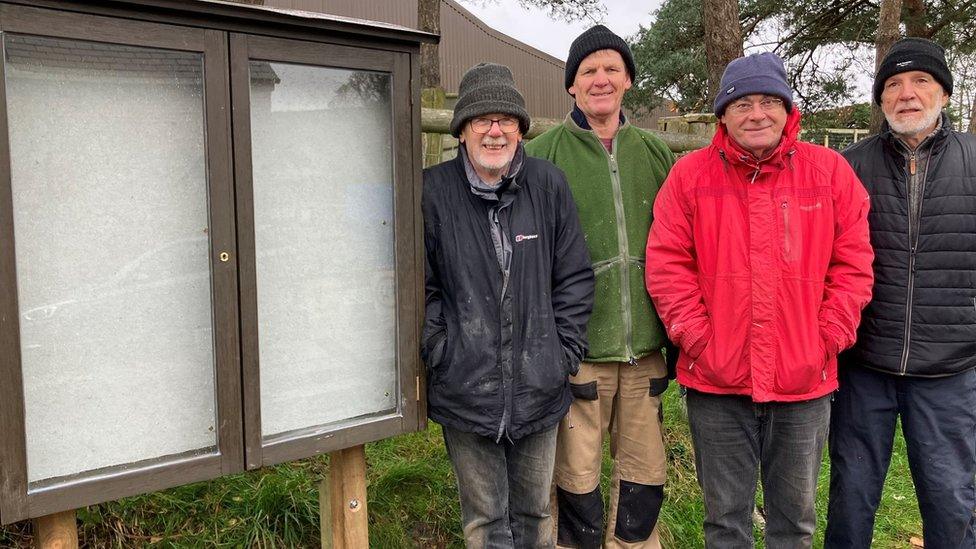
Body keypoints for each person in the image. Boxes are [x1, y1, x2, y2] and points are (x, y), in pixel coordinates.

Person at [645, 52, 874, 547]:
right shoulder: (689, 178)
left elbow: (853, 265)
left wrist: (826, 339)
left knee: (794, 522)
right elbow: (667, 267)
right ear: (723, 114)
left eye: (769, 101)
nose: (757, 114)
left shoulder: (830, 173)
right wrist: (699, 340)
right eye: (742, 103)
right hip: (718, 382)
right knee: (725, 520)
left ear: (789, 110)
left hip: (802, 382)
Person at [421, 62, 595, 548]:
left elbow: (574, 277)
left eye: (507, 120)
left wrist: (562, 355)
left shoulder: (548, 185)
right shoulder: (432, 192)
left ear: (521, 129)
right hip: (466, 389)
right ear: (461, 131)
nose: (494, 131)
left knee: (536, 516)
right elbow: (420, 285)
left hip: (540, 388)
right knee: (485, 521)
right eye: (482, 120)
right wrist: (442, 350)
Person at [526, 25, 675, 549]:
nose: (600, 79)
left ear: (629, 80)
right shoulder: (543, 154)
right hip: (578, 354)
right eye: (588, 71)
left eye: (612, 68)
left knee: (643, 481)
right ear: (571, 85)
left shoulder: (656, 155)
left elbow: (681, 246)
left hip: (645, 356)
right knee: (575, 485)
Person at [825, 38, 976, 549]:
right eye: (893, 84)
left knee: (951, 499)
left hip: (951, 371)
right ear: (881, 99)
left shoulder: (974, 161)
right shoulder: (847, 167)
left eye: (921, 82)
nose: (906, 94)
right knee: (850, 497)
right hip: (865, 365)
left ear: (945, 94)